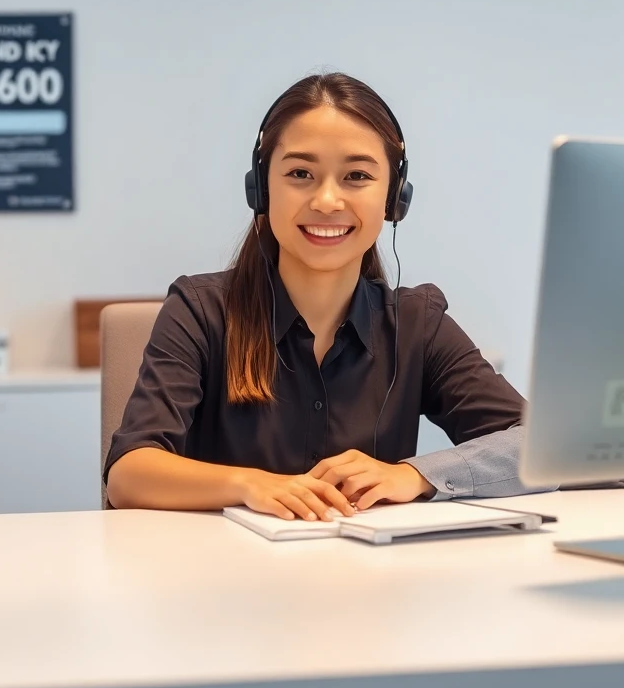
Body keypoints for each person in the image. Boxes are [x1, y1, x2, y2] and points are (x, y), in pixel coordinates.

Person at [105, 72, 545, 521]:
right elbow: (129, 473)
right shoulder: (200, 311)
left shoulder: (417, 324)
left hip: (367, 580)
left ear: (394, 198)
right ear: (261, 189)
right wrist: (248, 483)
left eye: (357, 175)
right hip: (226, 577)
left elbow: (540, 444)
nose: (328, 200)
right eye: (300, 173)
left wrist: (417, 475)